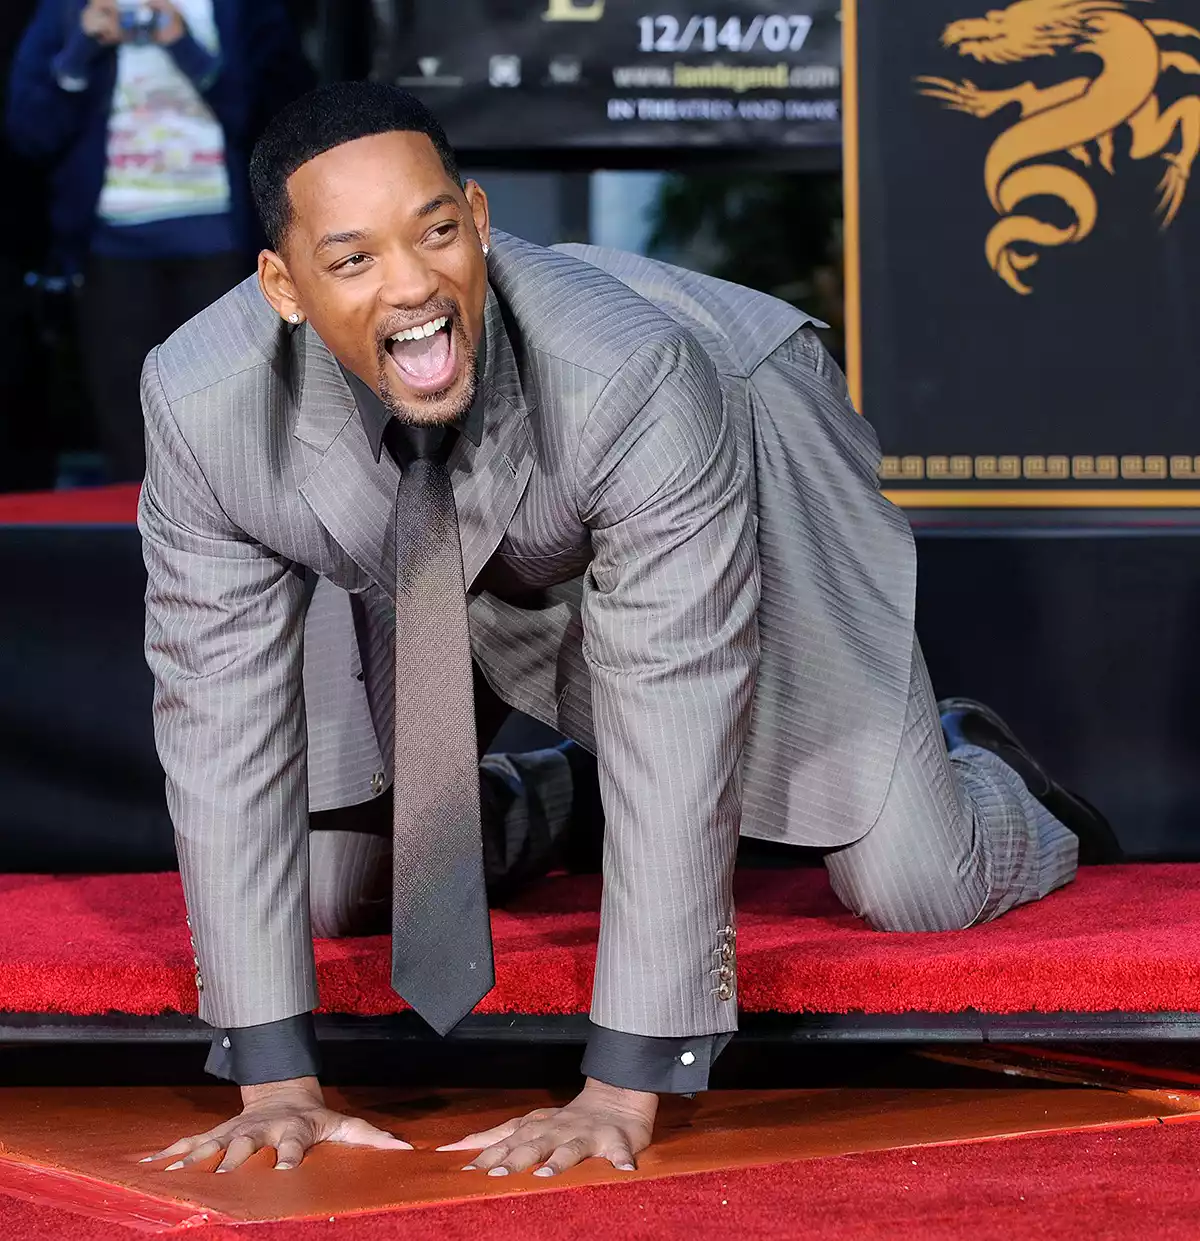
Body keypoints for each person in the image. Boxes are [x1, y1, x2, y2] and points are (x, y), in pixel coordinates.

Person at [137, 81, 1122, 1180]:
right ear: (282, 284)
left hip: (739, 422)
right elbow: (222, 718)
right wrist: (276, 1084)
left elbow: (676, 692)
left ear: (478, 216)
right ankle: (559, 795)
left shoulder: (637, 378)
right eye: (354, 258)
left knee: (916, 881)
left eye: (437, 233)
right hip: (430, 537)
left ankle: (982, 771)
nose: (415, 285)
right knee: (342, 884)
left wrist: (621, 1084)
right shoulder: (202, 402)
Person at [6, 0, 314, 483]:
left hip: (222, 242)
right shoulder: (71, 9)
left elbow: (280, 120)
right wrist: (79, 48)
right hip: (111, 246)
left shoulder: (241, 11)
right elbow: (30, 133)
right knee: (127, 419)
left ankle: (231, 549)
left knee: (234, 417)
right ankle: (134, 549)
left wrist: (186, 46)